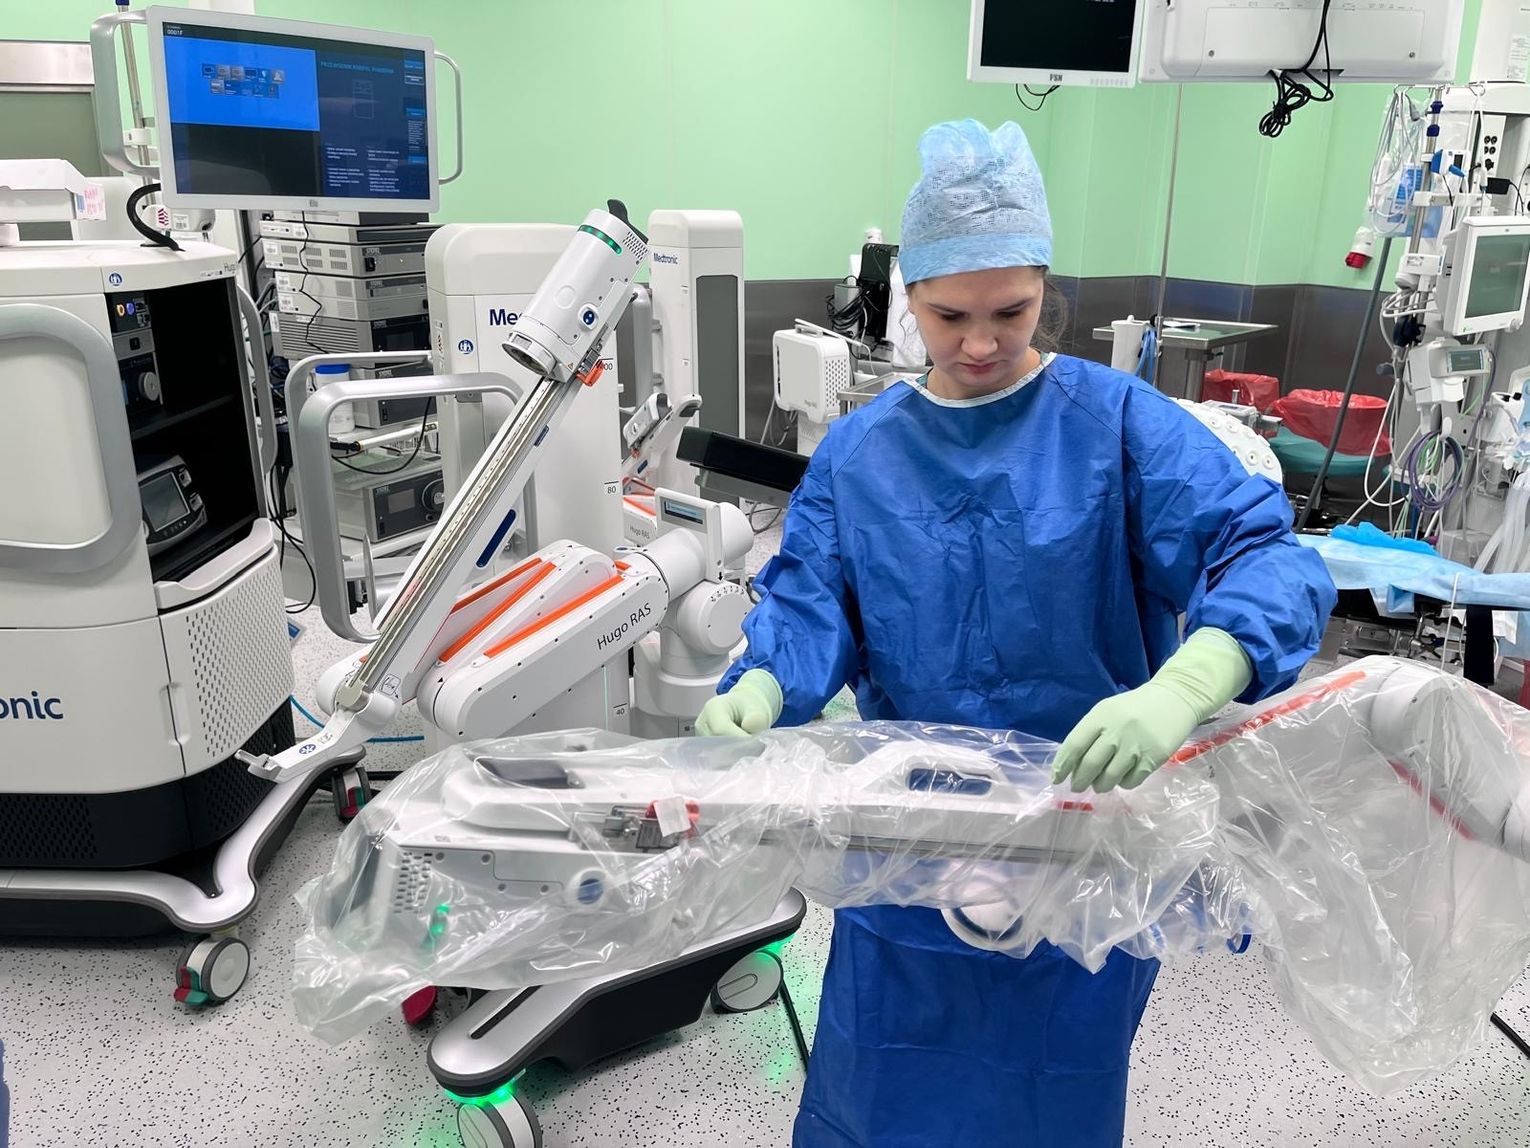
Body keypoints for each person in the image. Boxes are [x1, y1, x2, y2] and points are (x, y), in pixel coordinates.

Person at [695, 120, 1336, 1147]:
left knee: (1053, 1092)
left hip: (1082, 834)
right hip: (908, 846)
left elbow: (1263, 555)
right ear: (908, 298)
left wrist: (1185, 684)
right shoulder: (860, 455)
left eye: (1012, 311)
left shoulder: (1115, 423)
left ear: (1045, 290)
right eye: (949, 315)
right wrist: (766, 681)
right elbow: (813, 598)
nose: (981, 343)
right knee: (883, 1085)